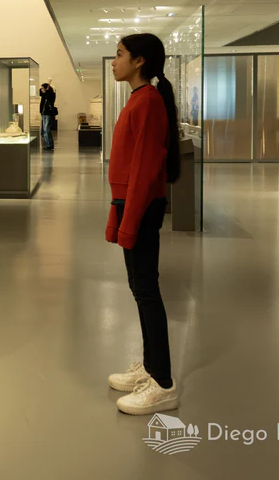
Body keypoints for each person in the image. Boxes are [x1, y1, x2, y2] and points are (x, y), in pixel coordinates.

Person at [104, 33, 181, 416]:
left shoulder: (148, 101)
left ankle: (163, 383)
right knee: (140, 288)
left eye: (119, 55)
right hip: (130, 206)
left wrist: (129, 220)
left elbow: (145, 171)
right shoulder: (139, 99)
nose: (114, 62)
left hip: (141, 207)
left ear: (139, 61)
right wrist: (117, 214)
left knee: (146, 290)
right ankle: (150, 368)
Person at [39, 83, 56, 150]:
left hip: (48, 113)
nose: (41, 90)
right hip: (44, 113)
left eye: (42, 88)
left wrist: (48, 89)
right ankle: (48, 144)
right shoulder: (44, 95)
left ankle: (49, 145)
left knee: (46, 129)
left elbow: (49, 96)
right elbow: (40, 93)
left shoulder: (51, 94)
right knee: (45, 130)